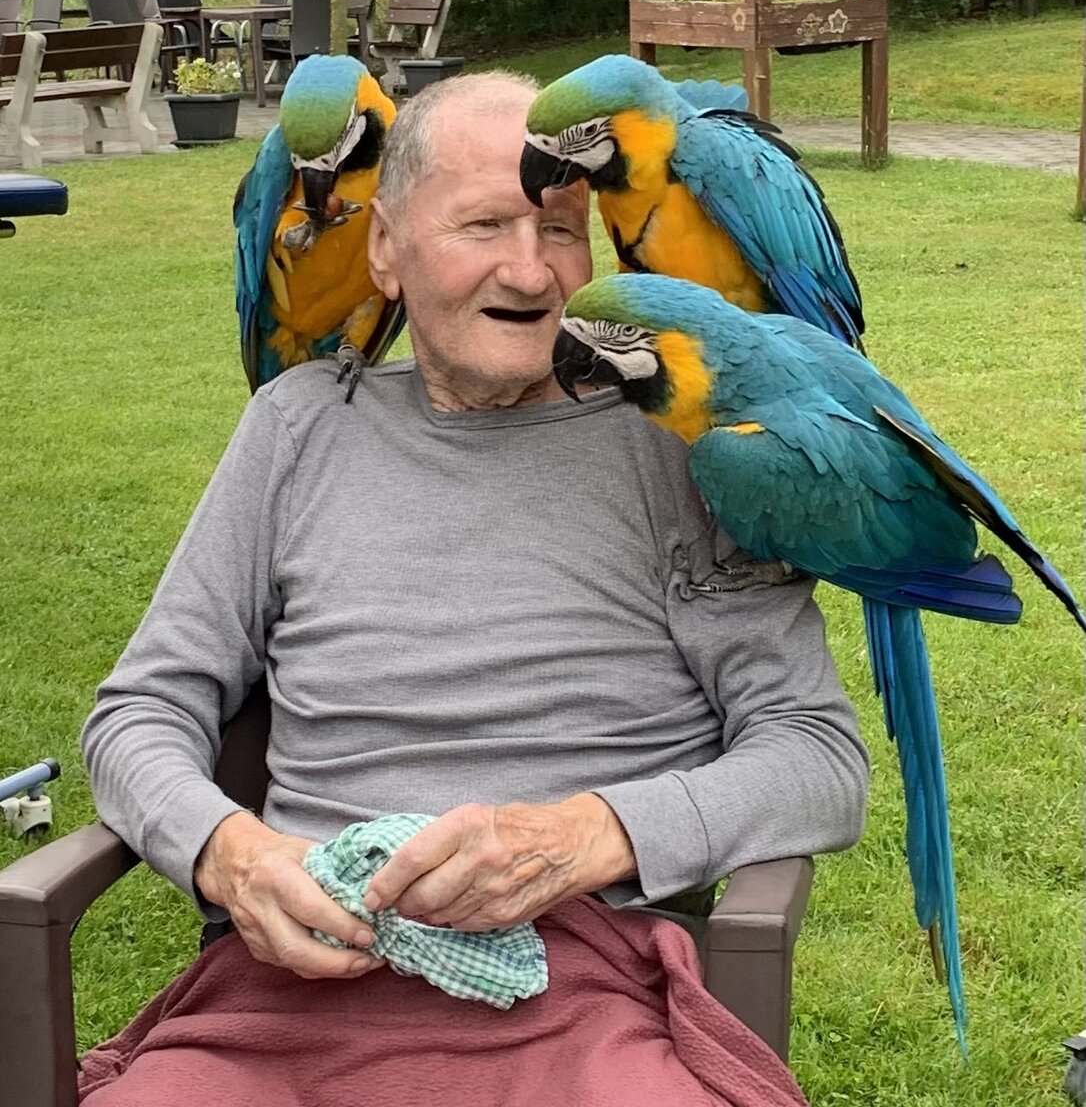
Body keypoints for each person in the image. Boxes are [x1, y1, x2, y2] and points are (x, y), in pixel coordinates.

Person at [77, 71, 868, 1106]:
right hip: (288, 993)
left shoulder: (687, 448)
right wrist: (227, 853)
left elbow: (816, 756)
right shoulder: (297, 429)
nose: (531, 271)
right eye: (485, 224)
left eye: (560, 228)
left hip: (590, 993)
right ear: (384, 249)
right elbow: (140, 710)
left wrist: (586, 836)